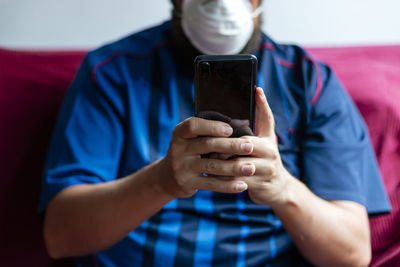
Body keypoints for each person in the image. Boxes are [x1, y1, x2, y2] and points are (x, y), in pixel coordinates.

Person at [39, 0, 391, 266]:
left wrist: (283, 188)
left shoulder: (310, 82)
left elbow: (352, 252)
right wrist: (162, 181)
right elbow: (61, 236)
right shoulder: (112, 73)